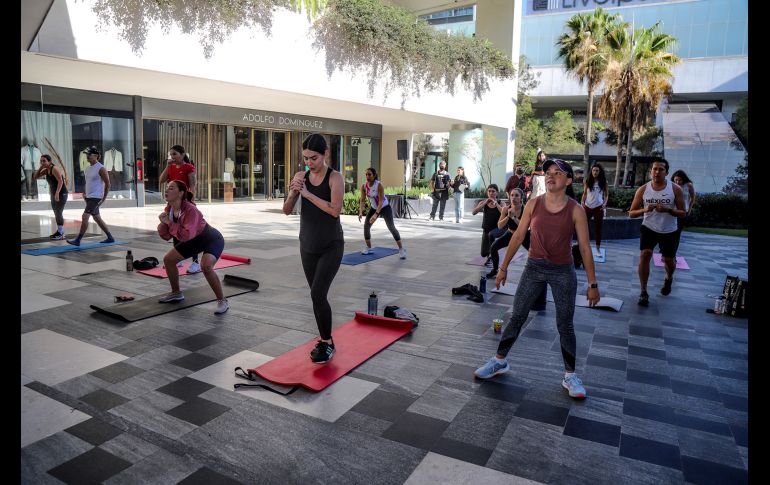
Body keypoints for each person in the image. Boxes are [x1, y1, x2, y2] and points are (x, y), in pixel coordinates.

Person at [474, 159, 600, 400]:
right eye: (548, 173)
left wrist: (593, 284)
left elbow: (584, 247)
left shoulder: (576, 209)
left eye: (558, 173)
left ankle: (570, 376)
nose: (551, 176)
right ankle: (499, 361)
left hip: (563, 271)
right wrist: (503, 268)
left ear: (569, 180)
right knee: (517, 316)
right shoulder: (533, 204)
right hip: (534, 267)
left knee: (565, 324)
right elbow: (518, 235)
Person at [283, 134, 345, 364]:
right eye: (306, 158)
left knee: (318, 293)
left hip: (331, 246)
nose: (309, 163)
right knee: (316, 297)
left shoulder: (335, 178)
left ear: (325, 154)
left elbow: (335, 210)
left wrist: (307, 194)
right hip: (307, 245)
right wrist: (293, 192)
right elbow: (287, 210)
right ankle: (324, 339)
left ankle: (327, 342)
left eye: (314, 158)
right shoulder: (301, 176)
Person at [157, 180, 229, 315]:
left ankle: (222, 301)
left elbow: (185, 235)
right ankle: (176, 293)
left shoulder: (191, 210)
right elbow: (166, 236)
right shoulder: (169, 209)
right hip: (193, 240)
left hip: (211, 239)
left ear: (181, 193)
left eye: (171, 188)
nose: (167, 191)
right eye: (167, 188)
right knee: (168, 260)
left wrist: (168, 223)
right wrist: (163, 224)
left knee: (206, 267)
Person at [628, 158, 685, 306]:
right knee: (645, 254)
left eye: (661, 169)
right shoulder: (643, 189)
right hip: (649, 227)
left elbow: (683, 213)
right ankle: (643, 291)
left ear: (666, 173)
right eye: (654, 169)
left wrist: (668, 210)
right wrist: (645, 209)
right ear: (650, 171)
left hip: (669, 230)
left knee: (668, 261)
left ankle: (668, 278)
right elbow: (632, 213)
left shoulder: (675, 189)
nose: (657, 172)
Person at [159, 145, 201, 274]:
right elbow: (161, 180)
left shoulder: (188, 167)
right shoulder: (171, 167)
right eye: (171, 154)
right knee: (174, 230)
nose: (172, 157)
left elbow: (193, 186)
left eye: (175, 154)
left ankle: (195, 262)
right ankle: (177, 259)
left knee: (190, 233)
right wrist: (167, 166)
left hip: (185, 203)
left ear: (182, 155)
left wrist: (191, 201)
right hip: (173, 203)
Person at [66, 147, 115, 246]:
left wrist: (103, 198)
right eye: (87, 155)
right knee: (97, 218)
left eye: (89, 154)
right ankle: (110, 237)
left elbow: (108, 184)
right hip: (89, 197)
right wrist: (85, 193)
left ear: (96, 156)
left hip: (96, 197)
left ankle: (78, 240)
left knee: (85, 217)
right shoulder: (87, 168)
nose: (87, 156)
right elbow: (88, 182)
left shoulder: (101, 168)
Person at [358, 167, 406, 259]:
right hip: (374, 208)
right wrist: (360, 211)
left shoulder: (379, 185)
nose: (367, 176)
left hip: (384, 207)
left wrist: (376, 214)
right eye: (366, 174)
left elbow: (380, 201)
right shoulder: (364, 186)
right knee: (366, 226)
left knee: (391, 227)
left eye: (369, 174)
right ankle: (369, 248)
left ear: (374, 175)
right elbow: (362, 200)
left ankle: (401, 249)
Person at [486, 187, 530, 279]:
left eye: (517, 195)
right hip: (510, 233)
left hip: (523, 234)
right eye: (512, 195)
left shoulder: (526, 209)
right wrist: (508, 217)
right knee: (493, 247)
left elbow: (525, 227)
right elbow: (499, 226)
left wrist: (514, 217)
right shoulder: (505, 209)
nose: (514, 198)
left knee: (533, 252)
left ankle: (535, 272)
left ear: (521, 198)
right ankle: (495, 269)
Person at [32, 154, 68, 240]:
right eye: (41, 161)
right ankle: (60, 231)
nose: (42, 162)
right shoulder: (46, 170)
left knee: (58, 212)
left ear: (50, 161)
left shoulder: (54, 169)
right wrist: (41, 167)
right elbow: (35, 177)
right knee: (56, 212)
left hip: (61, 193)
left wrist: (57, 193)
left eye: (44, 161)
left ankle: (61, 233)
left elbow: (60, 181)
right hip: (54, 193)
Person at [581, 163, 609, 257]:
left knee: (598, 229)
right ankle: (582, 246)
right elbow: (584, 193)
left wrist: (605, 204)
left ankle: (597, 250)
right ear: (591, 171)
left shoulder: (604, 181)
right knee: (583, 227)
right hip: (587, 206)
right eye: (593, 170)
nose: (595, 172)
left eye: (597, 170)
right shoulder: (587, 180)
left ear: (599, 172)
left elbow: (606, 195)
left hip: (598, 207)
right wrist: (582, 204)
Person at [472, 184, 503, 263]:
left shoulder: (501, 203)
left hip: (496, 229)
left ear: (497, 193)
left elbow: (504, 213)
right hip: (486, 229)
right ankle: (490, 255)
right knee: (483, 253)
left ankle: (492, 256)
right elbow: (474, 212)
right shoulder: (483, 202)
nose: (491, 193)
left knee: (492, 244)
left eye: (493, 191)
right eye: (489, 191)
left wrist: (496, 204)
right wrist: (484, 203)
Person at [671, 170, 696, 254]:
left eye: (680, 180)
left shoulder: (688, 185)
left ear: (683, 179)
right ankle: (665, 251)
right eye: (676, 180)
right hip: (671, 212)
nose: (677, 182)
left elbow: (692, 197)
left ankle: (673, 254)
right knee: (669, 233)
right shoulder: (671, 185)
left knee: (677, 234)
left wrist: (689, 209)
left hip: (682, 212)